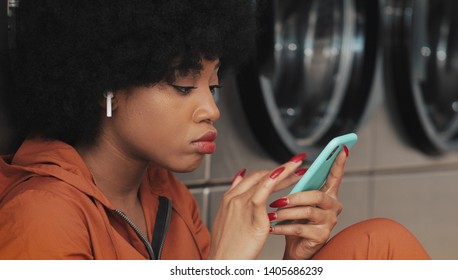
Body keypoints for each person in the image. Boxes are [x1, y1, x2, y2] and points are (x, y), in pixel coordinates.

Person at [0, 0, 430, 260]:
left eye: (214, 83)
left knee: (381, 244)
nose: (210, 109)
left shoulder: (166, 194)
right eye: (184, 84)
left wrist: (297, 261)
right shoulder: (42, 214)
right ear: (105, 83)